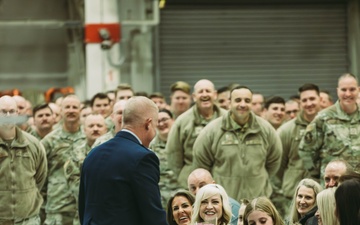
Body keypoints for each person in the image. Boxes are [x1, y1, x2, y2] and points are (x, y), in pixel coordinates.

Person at [79, 96, 167, 225]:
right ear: (148, 124)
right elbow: (152, 213)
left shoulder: (93, 154)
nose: (155, 133)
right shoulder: (143, 158)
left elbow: (83, 206)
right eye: (155, 126)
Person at [193, 85, 282, 202]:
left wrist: (257, 178)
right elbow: (201, 163)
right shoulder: (212, 130)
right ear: (230, 103)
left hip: (258, 199)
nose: (243, 104)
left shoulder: (265, 129)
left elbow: (274, 161)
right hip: (224, 201)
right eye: (238, 100)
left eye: (247, 101)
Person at [299, 73, 360, 181]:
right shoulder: (324, 117)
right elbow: (305, 150)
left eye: (352, 89)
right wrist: (318, 174)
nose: (348, 93)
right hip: (334, 184)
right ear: (337, 91)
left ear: (358, 90)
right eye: (343, 90)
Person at [167, 79, 226, 188]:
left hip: (222, 179)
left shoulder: (227, 118)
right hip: (192, 182)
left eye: (208, 91)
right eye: (200, 92)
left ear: (215, 95)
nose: (204, 95)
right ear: (194, 97)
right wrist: (183, 176)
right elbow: (173, 153)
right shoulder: (183, 121)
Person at [0, 95, 48, 224]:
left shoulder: (33, 144)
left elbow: (39, 178)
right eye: (3, 112)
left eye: (12, 111)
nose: (8, 115)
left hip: (28, 221)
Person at [275, 83, 322, 214]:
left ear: (320, 99)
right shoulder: (287, 130)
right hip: (294, 196)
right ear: (300, 103)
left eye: (312, 99)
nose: (309, 103)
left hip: (323, 194)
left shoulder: (328, 125)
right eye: (304, 100)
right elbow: (278, 164)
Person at [41, 94, 86, 225]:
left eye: (74, 107)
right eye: (67, 107)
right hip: (57, 206)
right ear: (60, 111)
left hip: (82, 205)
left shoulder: (88, 137)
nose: (71, 110)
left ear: (80, 110)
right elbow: (38, 170)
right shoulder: (50, 140)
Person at [150, 108, 178, 208]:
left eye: (164, 119)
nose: (161, 124)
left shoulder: (182, 142)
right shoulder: (150, 146)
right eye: (158, 121)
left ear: (173, 120)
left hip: (182, 196)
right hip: (160, 200)